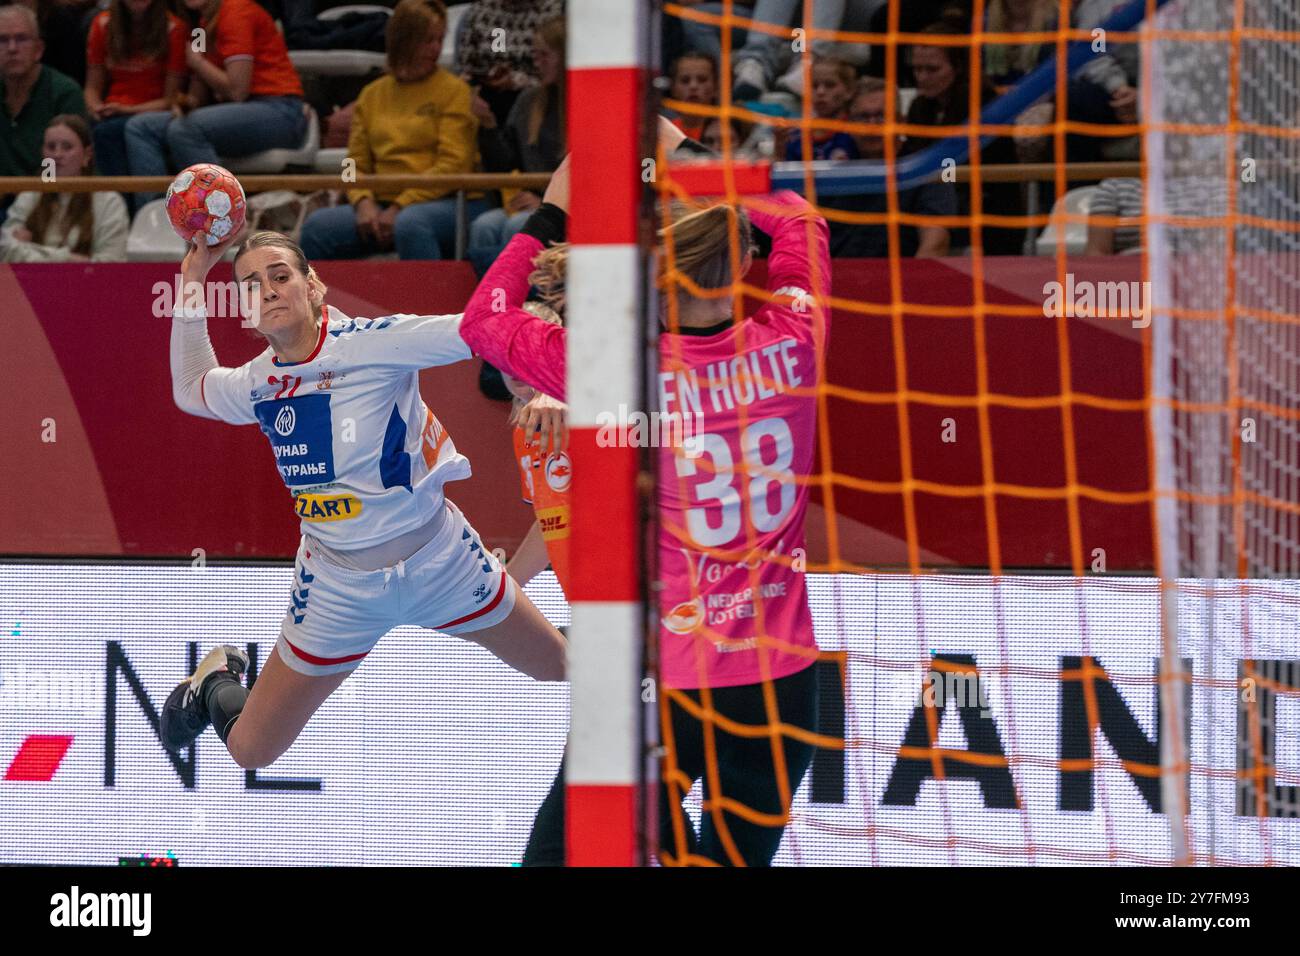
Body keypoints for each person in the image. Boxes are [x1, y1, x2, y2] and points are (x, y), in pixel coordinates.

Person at [461, 120, 829, 866]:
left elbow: (484, 320)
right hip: (779, 682)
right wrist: (694, 164)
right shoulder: (796, 338)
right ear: (743, 260)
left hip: (659, 685)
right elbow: (800, 218)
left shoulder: (611, 369)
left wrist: (552, 216)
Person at [160, 227, 568, 773]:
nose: (269, 291)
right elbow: (191, 386)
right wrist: (192, 277)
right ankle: (215, 676)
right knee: (252, 751)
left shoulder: (378, 342)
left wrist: (543, 383)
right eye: (251, 285)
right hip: (337, 586)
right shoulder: (256, 383)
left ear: (313, 286)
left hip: (441, 560)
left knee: (558, 665)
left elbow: (489, 330)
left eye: (281, 276)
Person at [300, 0, 484, 261]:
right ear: (402, 41)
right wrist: (363, 202)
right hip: (382, 201)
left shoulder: (455, 92)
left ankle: (427, 302)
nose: (436, 48)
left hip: (449, 201)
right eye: (426, 40)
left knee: (411, 224)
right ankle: (319, 302)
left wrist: (401, 206)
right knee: (318, 227)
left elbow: (452, 166)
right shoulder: (372, 94)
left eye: (439, 39)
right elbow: (353, 164)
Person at [123, 0, 307, 206]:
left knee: (185, 129)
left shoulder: (236, 12)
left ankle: (220, 217)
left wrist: (197, 62)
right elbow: (198, 94)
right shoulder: (204, 23)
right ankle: (155, 216)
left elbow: (238, 91)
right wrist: (185, 103)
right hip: (239, 110)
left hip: (279, 109)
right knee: (140, 127)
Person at [903, 15, 1025, 255]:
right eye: (917, 69)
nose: (922, 77)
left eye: (932, 69)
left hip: (986, 212)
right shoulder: (919, 106)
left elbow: (981, 168)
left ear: (958, 67)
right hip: (934, 207)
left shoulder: (985, 103)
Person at [467, 15, 564, 276]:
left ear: (565, 56)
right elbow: (505, 163)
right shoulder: (528, 100)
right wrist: (487, 126)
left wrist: (544, 202)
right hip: (531, 200)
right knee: (483, 226)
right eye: (535, 54)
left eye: (545, 55)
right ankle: (486, 307)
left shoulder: (587, 103)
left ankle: (514, 306)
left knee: (517, 227)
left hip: (566, 208)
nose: (537, 62)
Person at [822, 77, 953, 258]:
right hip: (834, 279)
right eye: (863, 118)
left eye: (882, 116)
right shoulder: (831, 174)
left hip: (900, 279)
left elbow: (935, 244)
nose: (873, 126)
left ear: (900, 121)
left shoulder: (926, 170)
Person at [83, 0, 187, 208]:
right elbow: (92, 88)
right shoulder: (102, 24)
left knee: (110, 132)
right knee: (82, 128)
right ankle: (103, 212)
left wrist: (127, 110)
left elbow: (170, 99)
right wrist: (95, 107)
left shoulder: (175, 28)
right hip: (112, 110)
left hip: (153, 111)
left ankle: (131, 210)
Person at [1, 113, 128, 261]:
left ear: (87, 155)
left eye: (67, 147)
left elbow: (110, 266)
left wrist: (30, 249)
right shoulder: (30, 194)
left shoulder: (109, 202)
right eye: (51, 147)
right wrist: (70, 258)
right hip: (28, 282)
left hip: (86, 283)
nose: (57, 154)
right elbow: (5, 251)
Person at [0, 4, 87, 183]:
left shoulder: (64, 93)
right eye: (2, 40)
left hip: (48, 198)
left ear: (39, 49)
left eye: (21, 39)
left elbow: (69, 165)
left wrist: (31, 196)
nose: (12, 48)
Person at [779, 55, 858, 162]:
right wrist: (778, 150)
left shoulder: (858, 132)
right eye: (814, 86)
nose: (820, 92)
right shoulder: (795, 136)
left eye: (830, 85)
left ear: (849, 91)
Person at [662, 50, 717, 142]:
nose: (693, 86)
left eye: (702, 80)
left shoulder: (726, 133)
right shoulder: (663, 133)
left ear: (716, 87)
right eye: (685, 80)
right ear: (673, 88)